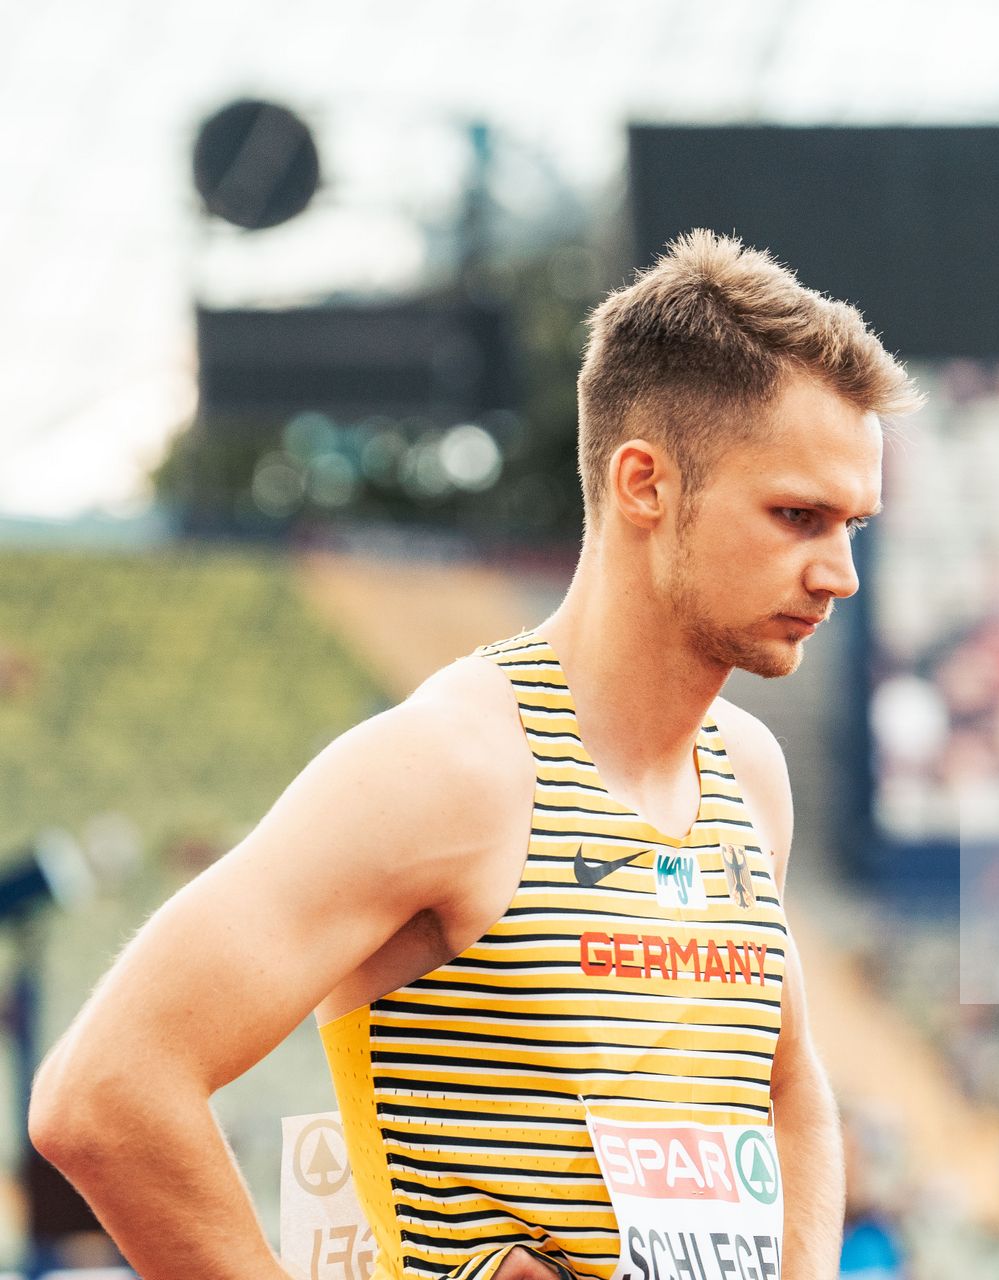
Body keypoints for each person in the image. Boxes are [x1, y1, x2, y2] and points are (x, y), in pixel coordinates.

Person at [28, 228, 924, 1280]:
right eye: (797, 516)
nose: (839, 573)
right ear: (646, 484)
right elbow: (104, 1091)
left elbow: (788, 1096)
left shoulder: (749, 775)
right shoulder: (453, 769)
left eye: (852, 524)